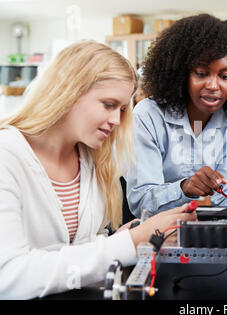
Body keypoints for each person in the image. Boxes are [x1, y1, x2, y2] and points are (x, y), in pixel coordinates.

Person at [0, 40, 196, 299]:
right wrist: (127, 244)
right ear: (69, 91)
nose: (116, 121)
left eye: (123, 109)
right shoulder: (7, 156)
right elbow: (10, 275)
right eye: (108, 105)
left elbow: (75, 250)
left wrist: (123, 239)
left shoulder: (91, 161)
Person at [125, 14, 227, 218]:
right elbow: (141, 202)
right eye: (202, 74)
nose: (213, 85)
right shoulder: (149, 116)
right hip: (155, 234)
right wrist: (184, 188)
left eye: (225, 76)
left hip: (197, 228)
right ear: (182, 73)